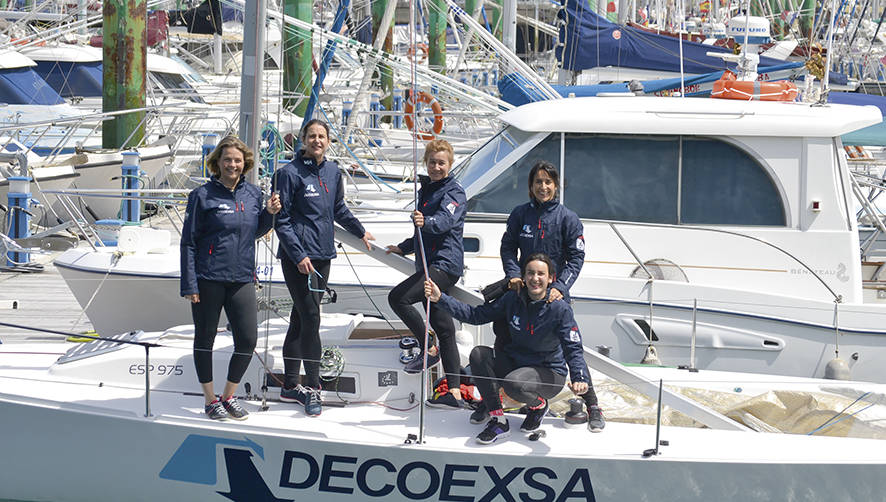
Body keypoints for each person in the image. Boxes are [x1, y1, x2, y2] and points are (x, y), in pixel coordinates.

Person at [425, 253, 604, 445]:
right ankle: (499, 421)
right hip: (517, 365)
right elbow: (476, 316)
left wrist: (579, 378)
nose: (535, 278)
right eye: (530, 273)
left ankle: (539, 406)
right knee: (478, 354)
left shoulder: (559, 309)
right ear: (524, 277)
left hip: (549, 374)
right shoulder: (512, 299)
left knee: (514, 382)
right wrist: (440, 298)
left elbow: (573, 347)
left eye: (541, 274)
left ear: (551, 278)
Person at [274, 119, 374, 416]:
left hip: (323, 255)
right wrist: (298, 254)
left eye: (322, 136)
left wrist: (359, 231)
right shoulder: (288, 174)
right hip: (298, 260)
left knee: (300, 318)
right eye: (312, 136)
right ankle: (313, 387)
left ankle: (290, 385)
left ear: (328, 141)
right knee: (312, 317)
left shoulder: (332, 172)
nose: (317, 140)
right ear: (303, 140)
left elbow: (338, 208)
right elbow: (283, 220)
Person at [180, 135, 281, 421]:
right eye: (227, 160)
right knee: (205, 338)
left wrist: (269, 214)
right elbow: (188, 242)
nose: (232, 165)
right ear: (217, 163)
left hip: (242, 278)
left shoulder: (252, 195)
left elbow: (257, 230)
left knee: (248, 339)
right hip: (208, 277)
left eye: (237, 160)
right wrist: (190, 284)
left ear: (245, 163)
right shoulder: (202, 196)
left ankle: (228, 396)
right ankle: (210, 400)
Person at [385, 139, 467, 410]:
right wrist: (404, 247)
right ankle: (453, 393)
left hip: (444, 266)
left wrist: (426, 221)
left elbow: (444, 221)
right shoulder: (427, 190)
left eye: (441, 163)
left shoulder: (454, 192)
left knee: (398, 298)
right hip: (427, 264)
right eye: (432, 162)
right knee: (445, 329)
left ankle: (426, 344)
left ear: (450, 164)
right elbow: (419, 233)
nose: (436, 167)